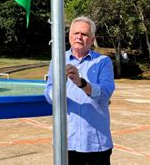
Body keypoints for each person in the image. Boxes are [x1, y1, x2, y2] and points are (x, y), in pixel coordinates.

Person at [45, 16, 115, 164]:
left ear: (92, 39)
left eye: (84, 34)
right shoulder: (57, 61)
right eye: (75, 33)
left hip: (96, 144)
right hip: (66, 141)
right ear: (69, 36)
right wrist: (60, 85)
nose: (79, 37)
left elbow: (105, 94)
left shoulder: (103, 62)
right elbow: (49, 95)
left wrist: (81, 83)